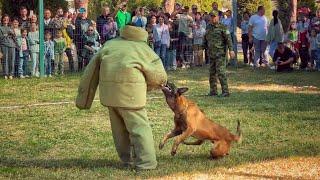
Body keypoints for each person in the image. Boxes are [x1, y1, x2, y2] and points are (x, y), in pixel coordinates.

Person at [76, 25, 167, 170]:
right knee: (139, 129)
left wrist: (83, 99)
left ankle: (128, 159)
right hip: (131, 96)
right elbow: (159, 77)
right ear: (141, 31)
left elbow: (91, 71)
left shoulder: (109, 45)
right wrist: (150, 86)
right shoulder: (143, 49)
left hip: (110, 96)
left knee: (119, 131)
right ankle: (146, 162)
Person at [204, 11, 234, 97]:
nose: (213, 18)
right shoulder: (208, 27)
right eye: (212, 16)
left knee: (221, 73)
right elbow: (205, 39)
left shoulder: (223, 27)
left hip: (220, 54)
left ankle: (225, 91)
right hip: (211, 54)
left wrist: (231, 50)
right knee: (212, 73)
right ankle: (213, 91)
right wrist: (202, 48)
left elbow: (229, 40)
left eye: (215, 16)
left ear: (218, 17)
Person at [0, 15, 16, 79]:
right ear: (2, 20)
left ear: (9, 20)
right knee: (5, 60)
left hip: (12, 46)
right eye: (4, 18)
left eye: (7, 19)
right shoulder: (0, 28)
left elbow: (14, 37)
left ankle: (11, 74)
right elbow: (1, 38)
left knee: (12, 60)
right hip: (4, 45)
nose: (6, 20)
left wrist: (12, 34)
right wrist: (7, 34)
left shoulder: (11, 27)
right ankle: (5, 74)